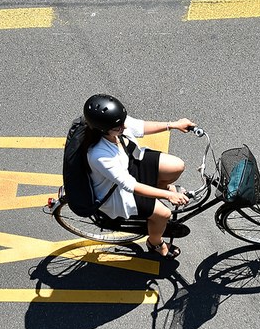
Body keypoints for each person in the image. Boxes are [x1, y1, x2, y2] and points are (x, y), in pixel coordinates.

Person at [82, 94, 196, 261]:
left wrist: (174, 125)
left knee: (176, 166)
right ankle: (154, 243)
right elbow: (129, 185)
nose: (123, 126)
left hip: (132, 163)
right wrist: (168, 195)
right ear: (102, 130)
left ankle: (158, 189)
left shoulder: (116, 123)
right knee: (163, 214)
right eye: (118, 127)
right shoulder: (99, 155)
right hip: (118, 191)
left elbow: (140, 127)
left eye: (122, 121)